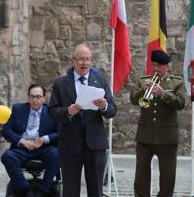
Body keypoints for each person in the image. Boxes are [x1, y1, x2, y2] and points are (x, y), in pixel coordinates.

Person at [48, 43, 117, 197]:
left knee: (96, 191)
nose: (84, 62)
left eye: (87, 59)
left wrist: (104, 106)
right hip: (70, 144)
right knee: (70, 190)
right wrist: (69, 111)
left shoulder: (100, 80)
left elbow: (112, 110)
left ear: (91, 61)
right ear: (73, 61)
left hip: (95, 144)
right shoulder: (61, 83)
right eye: (81, 59)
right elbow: (52, 112)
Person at [130, 50, 185, 197]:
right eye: (154, 65)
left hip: (167, 137)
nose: (156, 69)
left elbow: (181, 103)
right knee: (141, 176)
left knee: (167, 177)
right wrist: (143, 90)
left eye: (159, 66)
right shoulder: (144, 80)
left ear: (168, 66)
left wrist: (163, 94)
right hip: (145, 136)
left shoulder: (177, 82)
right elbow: (134, 100)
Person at [1, 84, 60, 197]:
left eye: (38, 97)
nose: (35, 100)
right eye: (32, 96)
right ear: (28, 97)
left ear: (44, 98)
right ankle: (25, 190)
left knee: (57, 154)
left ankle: (44, 190)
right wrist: (21, 140)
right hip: (23, 148)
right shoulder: (18, 109)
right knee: (7, 156)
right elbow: (6, 130)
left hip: (44, 148)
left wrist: (45, 139)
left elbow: (60, 132)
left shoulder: (52, 112)